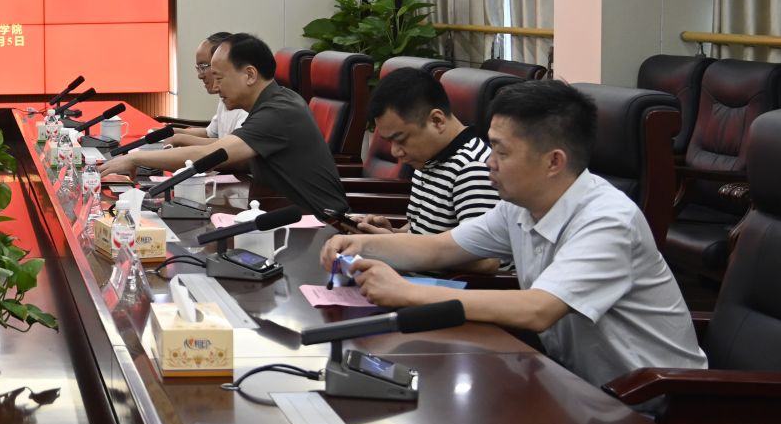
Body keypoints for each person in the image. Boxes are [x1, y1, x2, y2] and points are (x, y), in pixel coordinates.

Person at [321, 79, 704, 387]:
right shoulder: (519, 206)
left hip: (654, 399)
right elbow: (439, 248)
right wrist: (363, 243)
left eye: (501, 152)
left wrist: (407, 292)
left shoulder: (607, 220)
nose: (489, 162)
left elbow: (538, 309)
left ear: (553, 162)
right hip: (573, 380)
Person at [191, 32, 351, 217]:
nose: (215, 87)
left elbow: (210, 153)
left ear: (250, 75)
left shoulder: (277, 112)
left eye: (219, 79)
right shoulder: (271, 102)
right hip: (283, 212)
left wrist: (158, 156)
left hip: (319, 223)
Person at [351, 69, 500, 237]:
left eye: (400, 139)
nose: (395, 151)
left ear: (437, 121)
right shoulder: (429, 160)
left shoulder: (473, 169)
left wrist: (391, 243)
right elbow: (421, 231)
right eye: (389, 141)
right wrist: (392, 234)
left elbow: (481, 252)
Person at [99, 32, 247, 177]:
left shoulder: (248, 109)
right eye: (198, 68)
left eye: (204, 67)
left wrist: (178, 138)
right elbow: (211, 134)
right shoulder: (228, 98)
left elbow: (220, 150)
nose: (200, 75)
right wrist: (172, 131)